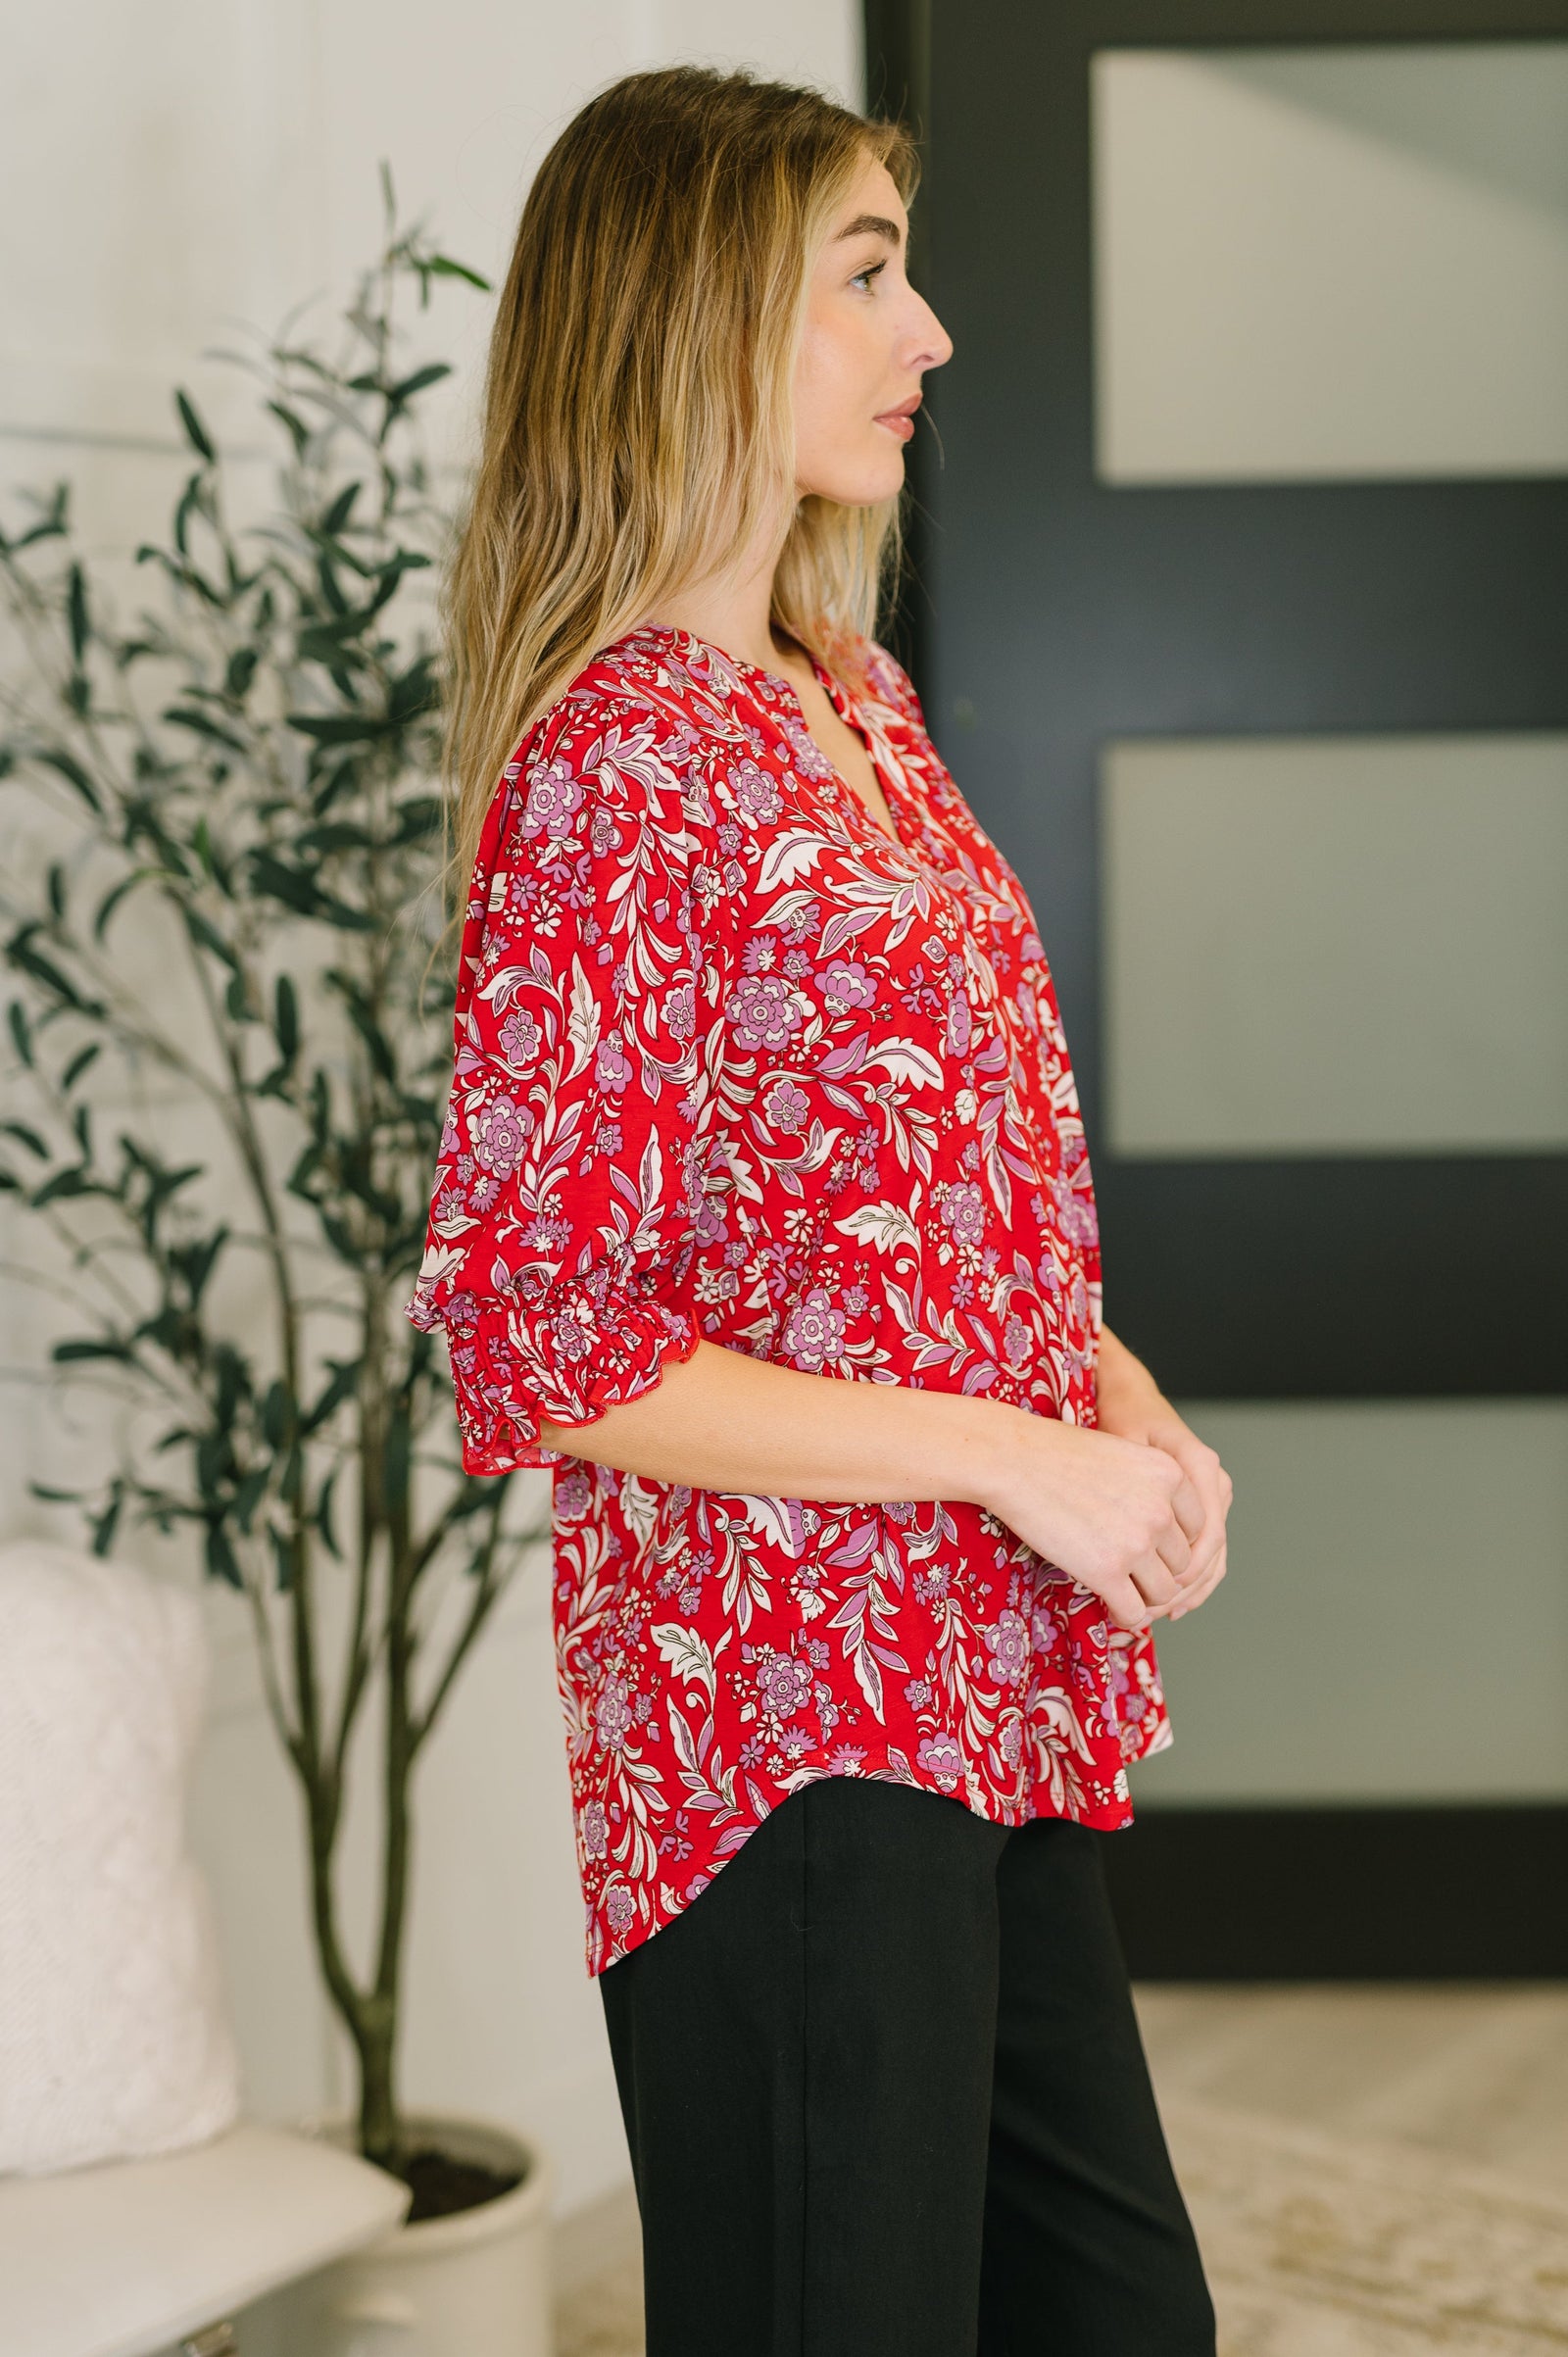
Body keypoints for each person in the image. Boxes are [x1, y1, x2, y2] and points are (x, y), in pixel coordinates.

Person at [407, 62, 1231, 2357]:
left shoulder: (841, 700)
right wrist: (1016, 1460)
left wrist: (1122, 1415)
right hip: (773, 1728)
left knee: (1113, 2324)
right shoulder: (615, 766)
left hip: (978, 1687)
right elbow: (539, 1332)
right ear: (694, 323)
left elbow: (946, 1207)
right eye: (863, 275)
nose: (928, 328)